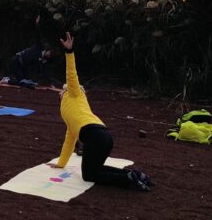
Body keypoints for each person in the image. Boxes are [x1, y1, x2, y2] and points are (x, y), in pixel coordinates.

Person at [50, 31, 154, 192]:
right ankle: (135, 175)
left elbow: (71, 75)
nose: (60, 91)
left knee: (89, 175)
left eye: (62, 89)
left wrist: (69, 52)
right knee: (96, 170)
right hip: (103, 135)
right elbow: (69, 141)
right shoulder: (71, 112)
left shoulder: (75, 93)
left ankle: (128, 180)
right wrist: (60, 164)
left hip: (94, 135)